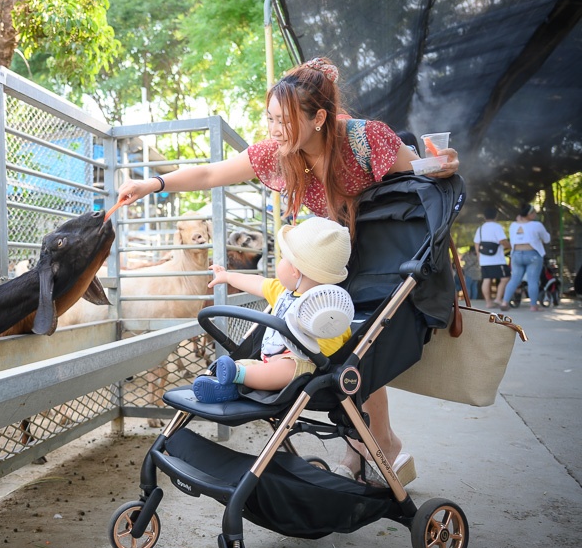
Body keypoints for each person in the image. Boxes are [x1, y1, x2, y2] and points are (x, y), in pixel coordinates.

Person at [112, 57, 460, 485]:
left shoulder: (366, 139)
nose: (274, 129)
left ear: (319, 118)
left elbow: (422, 170)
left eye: (284, 120)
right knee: (338, 352)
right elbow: (209, 172)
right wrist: (153, 184)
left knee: (361, 351)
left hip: (380, 252)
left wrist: (442, 163)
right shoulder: (281, 155)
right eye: (270, 118)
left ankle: (379, 447)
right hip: (329, 256)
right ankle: (368, 448)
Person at [191, 217, 352, 404]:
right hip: (269, 361)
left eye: (282, 258)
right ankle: (225, 387)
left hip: (303, 369)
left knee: (286, 369)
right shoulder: (284, 292)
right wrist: (227, 276)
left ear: (295, 271)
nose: (279, 262)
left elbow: (329, 351)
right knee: (244, 365)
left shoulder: (328, 308)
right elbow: (258, 283)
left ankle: (237, 376)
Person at [500, 204, 551, 312]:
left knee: (514, 279)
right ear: (529, 214)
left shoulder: (513, 225)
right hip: (532, 254)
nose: (535, 214)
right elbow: (546, 239)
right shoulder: (537, 225)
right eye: (533, 212)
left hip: (516, 254)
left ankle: (505, 302)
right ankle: (533, 306)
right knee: (533, 280)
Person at [474, 206, 510, 308]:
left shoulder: (480, 228)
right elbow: (502, 241)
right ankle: (498, 298)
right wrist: (511, 246)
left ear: (484, 217)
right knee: (505, 278)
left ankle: (488, 303)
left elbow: (476, 243)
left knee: (487, 279)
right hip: (497, 259)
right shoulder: (497, 227)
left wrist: (479, 256)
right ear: (496, 216)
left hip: (484, 260)